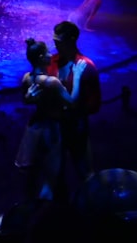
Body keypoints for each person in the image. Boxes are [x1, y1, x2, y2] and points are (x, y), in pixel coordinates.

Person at [15, 38, 87, 204]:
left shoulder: (26, 78)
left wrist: (28, 98)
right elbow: (71, 102)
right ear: (41, 57)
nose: (51, 54)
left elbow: (27, 100)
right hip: (51, 130)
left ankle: (28, 213)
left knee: (32, 177)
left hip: (34, 127)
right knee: (50, 179)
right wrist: (76, 77)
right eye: (47, 52)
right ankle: (42, 217)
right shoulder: (51, 82)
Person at [47, 20, 101, 189]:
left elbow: (95, 103)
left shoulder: (86, 66)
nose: (55, 45)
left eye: (59, 42)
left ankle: (91, 210)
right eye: (54, 41)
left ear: (71, 40)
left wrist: (73, 110)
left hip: (76, 126)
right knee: (53, 175)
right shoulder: (51, 62)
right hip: (54, 127)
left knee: (85, 173)